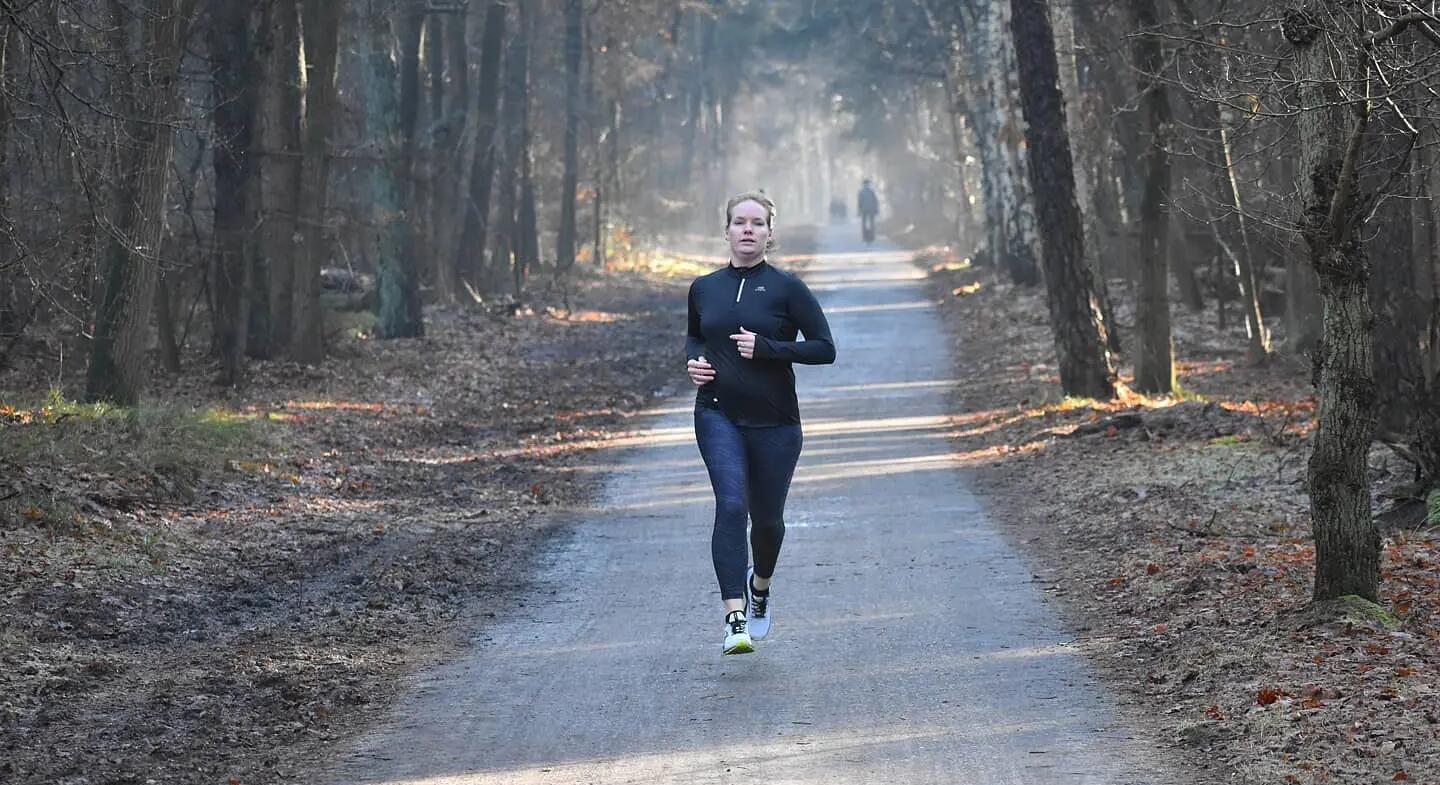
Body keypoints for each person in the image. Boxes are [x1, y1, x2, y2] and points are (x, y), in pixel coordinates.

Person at [685, 192, 836, 655]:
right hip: (717, 414)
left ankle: (761, 586)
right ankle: (734, 618)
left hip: (776, 423)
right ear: (726, 230)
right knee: (731, 506)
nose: (747, 230)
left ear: (771, 233)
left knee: (767, 522)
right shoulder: (703, 287)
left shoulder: (788, 288)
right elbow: (696, 335)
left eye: (757, 223)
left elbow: (824, 348)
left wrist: (769, 347)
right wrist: (694, 362)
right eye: (739, 222)